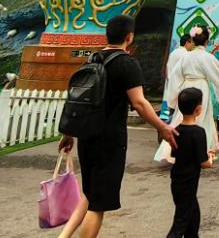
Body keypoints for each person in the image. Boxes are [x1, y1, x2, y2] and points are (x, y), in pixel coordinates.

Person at [57, 14, 177, 238]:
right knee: (98, 205)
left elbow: (77, 100)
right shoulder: (127, 63)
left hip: (87, 138)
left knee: (91, 193)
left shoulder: (92, 60)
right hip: (109, 141)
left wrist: (68, 133)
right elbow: (139, 103)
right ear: (129, 37)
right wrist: (162, 127)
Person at [156, 26, 219, 161]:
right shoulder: (207, 57)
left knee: (181, 117)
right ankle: (201, 151)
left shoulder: (185, 56)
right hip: (201, 88)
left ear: (193, 40)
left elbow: (175, 76)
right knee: (202, 118)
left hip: (186, 87)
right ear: (206, 41)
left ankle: (176, 149)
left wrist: (174, 96)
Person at [167, 87, 213, 238]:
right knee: (180, 223)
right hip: (189, 182)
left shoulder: (176, 130)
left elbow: (174, 154)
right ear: (198, 110)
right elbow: (204, 162)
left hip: (177, 180)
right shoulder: (198, 132)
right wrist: (210, 157)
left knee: (192, 220)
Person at [159, 33, 194, 120]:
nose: (193, 45)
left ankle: (163, 125)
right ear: (187, 42)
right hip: (179, 86)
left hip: (170, 85)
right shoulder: (186, 54)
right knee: (176, 115)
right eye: (192, 42)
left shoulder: (173, 53)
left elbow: (167, 69)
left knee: (167, 113)